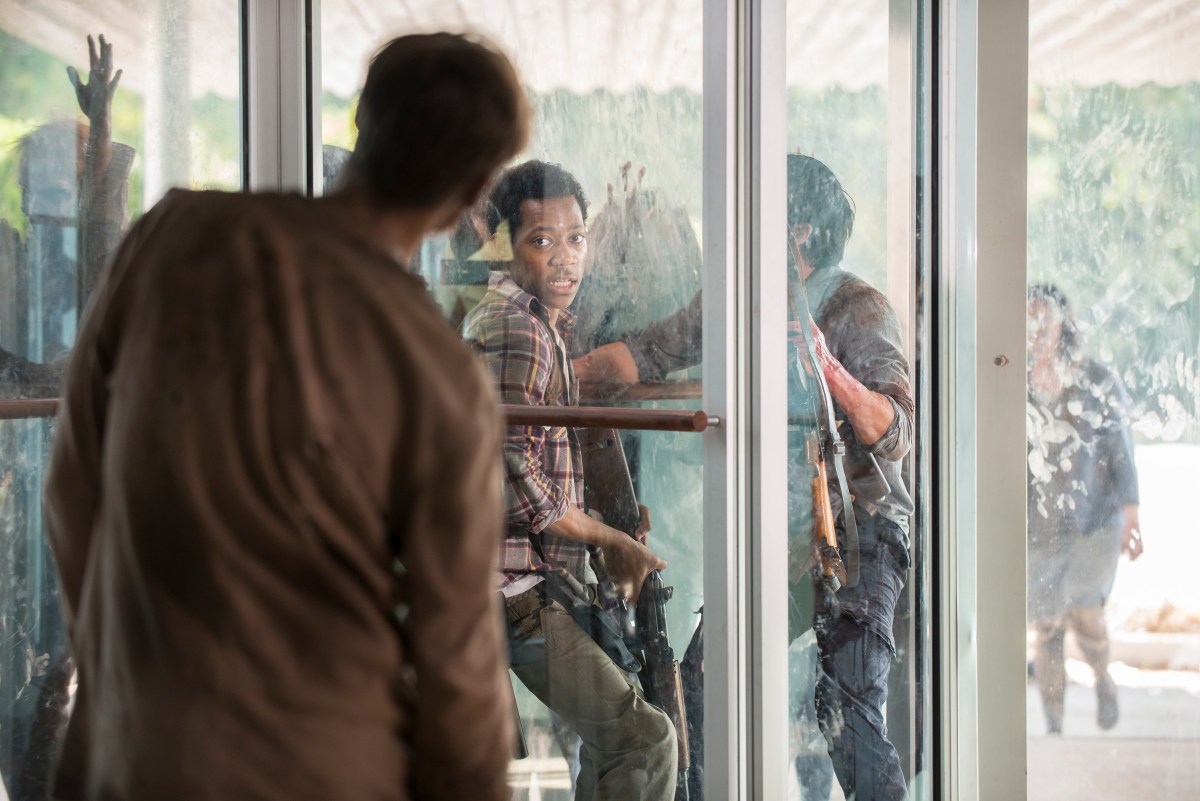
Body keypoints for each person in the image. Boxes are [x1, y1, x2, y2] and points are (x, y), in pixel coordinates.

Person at [42, 32, 530, 801]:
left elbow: (71, 490)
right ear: (476, 190)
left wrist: (117, 684)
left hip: (138, 757)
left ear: (363, 118)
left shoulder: (172, 242)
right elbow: (457, 658)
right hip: (328, 766)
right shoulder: (439, 376)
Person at [462, 159, 678, 801]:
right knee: (647, 740)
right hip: (509, 593)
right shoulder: (517, 328)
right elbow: (514, 473)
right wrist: (605, 537)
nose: (565, 259)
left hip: (521, 584)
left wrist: (600, 528)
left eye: (576, 238)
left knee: (614, 741)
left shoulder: (533, 321)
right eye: (542, 240)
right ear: (507, 245)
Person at [785, 154, 914, 801]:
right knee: (703, 675)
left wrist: (825, 363)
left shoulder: (858, 305)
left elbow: (896, 430)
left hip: (862, 531)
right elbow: (661, 345)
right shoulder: (746, 300)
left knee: (847, 701)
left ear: (799, 231)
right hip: (787, 534)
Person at [1026, 283, 1143, 734]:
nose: (1037, 329)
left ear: (1063, 325)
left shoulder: (1097, 378)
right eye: (1030, 319)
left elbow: (1121, 452)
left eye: (1045, 319)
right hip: (1038, 523)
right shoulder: (1014, 378)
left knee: (1085, 611)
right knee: (1046, 622)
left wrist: (1132, 515)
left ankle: (1102, 677)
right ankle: (1054, 722)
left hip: (1095, 519)